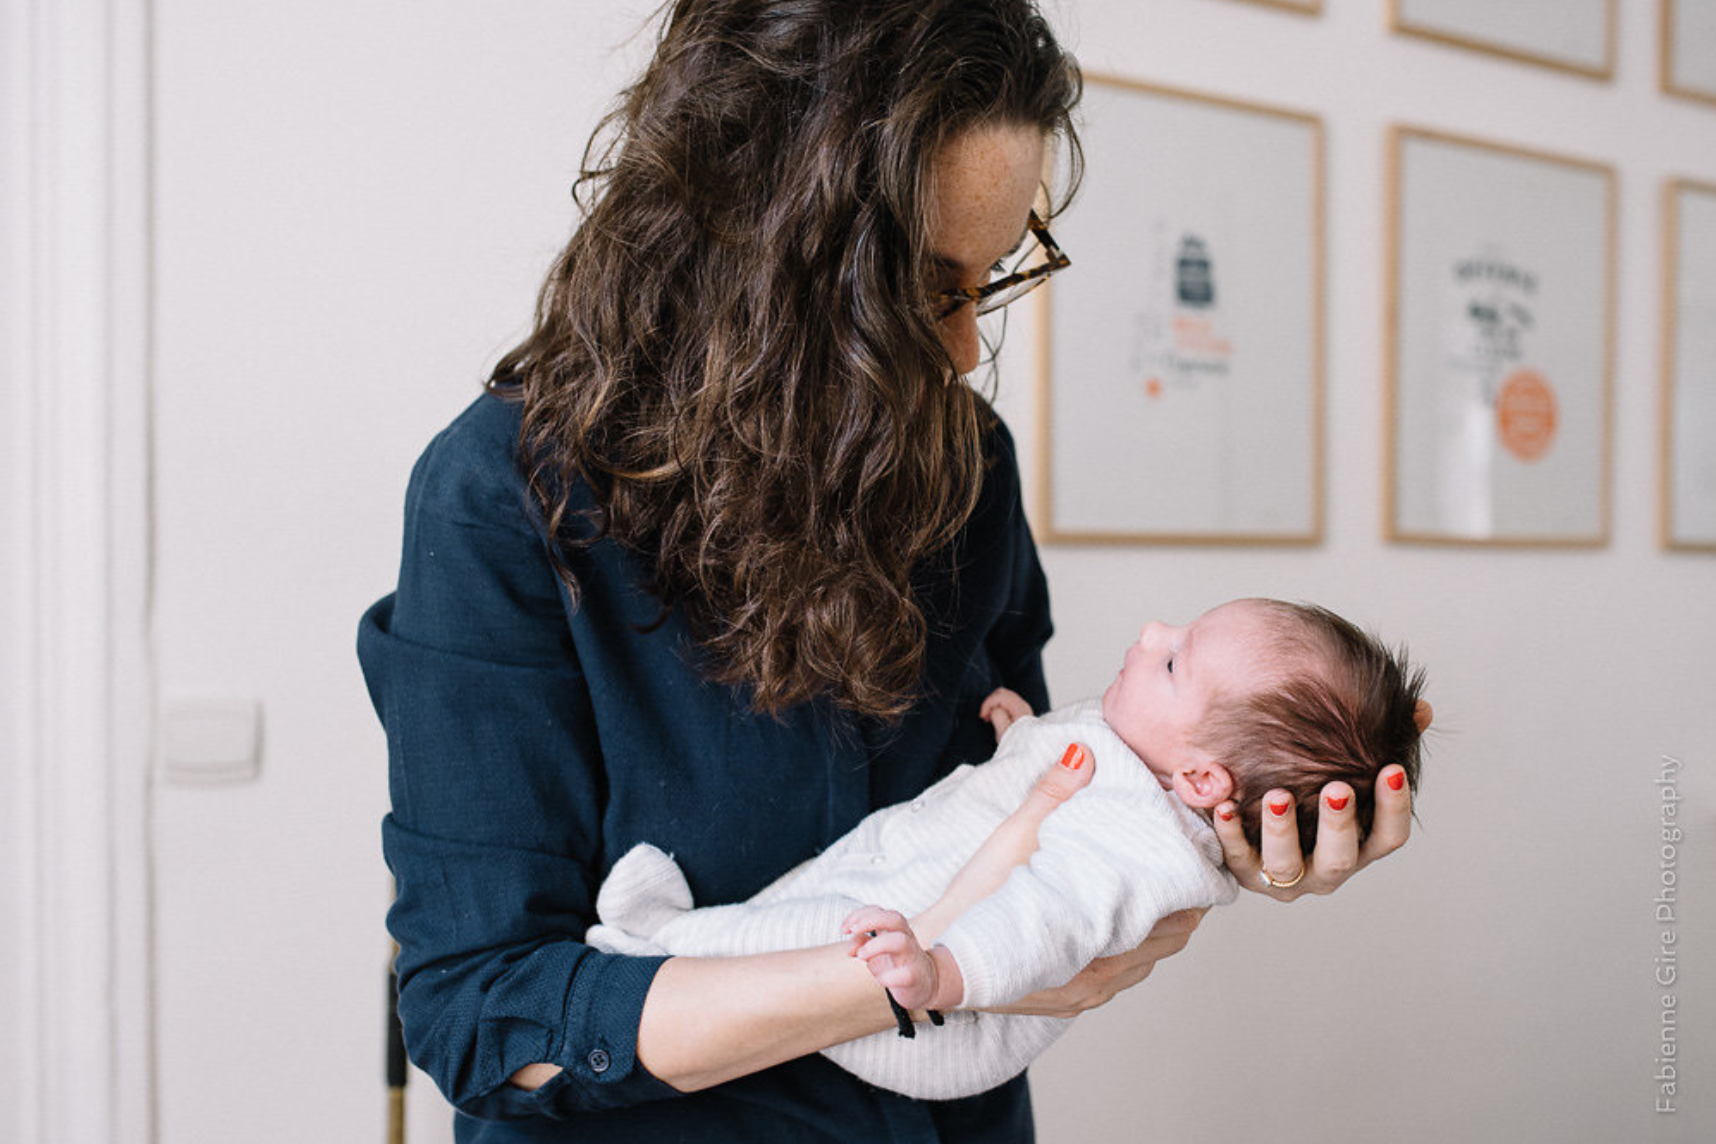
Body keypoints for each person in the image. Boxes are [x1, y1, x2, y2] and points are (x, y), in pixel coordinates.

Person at [356, 2, 1415, 1139]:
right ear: (756, 249)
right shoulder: (504, 498)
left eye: (993, 278)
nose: (966, 351)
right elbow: (483, 1018)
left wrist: (1218, 834)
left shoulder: (969, 466)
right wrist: (931, 975)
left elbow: (1060, 803)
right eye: (928, 289)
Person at [584, 598, 1430, 1099]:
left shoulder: (1140, 844)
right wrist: (1023, 737)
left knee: (797, 936)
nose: (1151, 632)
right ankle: (680, 936)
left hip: (947, 1015)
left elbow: (1047, 917)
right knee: (810, 898)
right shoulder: (1142, 761)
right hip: (921, 912)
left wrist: (940, 975)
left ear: (1204, 784)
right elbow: (1064, 786)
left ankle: (657, 942)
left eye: (1173, 663)